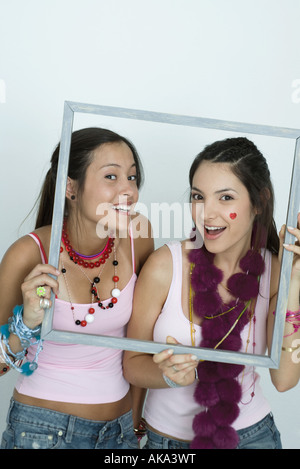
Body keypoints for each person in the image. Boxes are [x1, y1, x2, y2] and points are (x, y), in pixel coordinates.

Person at [123, 137, 300, 450]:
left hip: (251, 438)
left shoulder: (275, 275)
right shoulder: (165, 266)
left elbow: (284, 379)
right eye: (198, 196)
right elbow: (132, 364)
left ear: (259, 201)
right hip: (166, 443)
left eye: (226, 198)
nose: (206, 214)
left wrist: (295, 279)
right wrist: (166, 374)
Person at [0, 127, 153, 449]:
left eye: (132, 177)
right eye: (111, 177)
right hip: (43, 431)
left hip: (120, 432)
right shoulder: (28, 254)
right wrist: (26, 321)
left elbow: (141, 342)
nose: (129, 191)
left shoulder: (137, 236)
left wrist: (135, 424)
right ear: (71, 187)